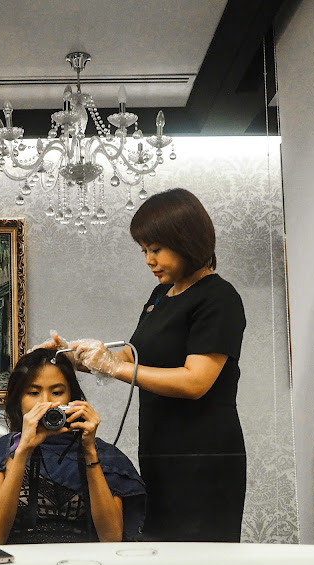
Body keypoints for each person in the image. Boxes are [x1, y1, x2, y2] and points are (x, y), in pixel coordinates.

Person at [46, 188, 246, 542]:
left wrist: (113, 368)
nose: (150, 261)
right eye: (144, 251)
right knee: (160, 547)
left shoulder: (218, 297)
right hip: (159, 449)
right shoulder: (161, 296)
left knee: (201, 556)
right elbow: (133, 355)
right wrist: (74, 357)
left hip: (204, 455)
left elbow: (195, 382)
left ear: (187, 241)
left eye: (156, 249)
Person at [0, 348, 146, 544]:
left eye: (57, 392)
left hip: (86, 560)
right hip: (19, 559)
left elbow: (111, 538)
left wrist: (89, 451)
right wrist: (23, 450)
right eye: (34, 393)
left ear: (72, 398)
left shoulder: (104, 455)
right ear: (19, 399)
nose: (46, 402)